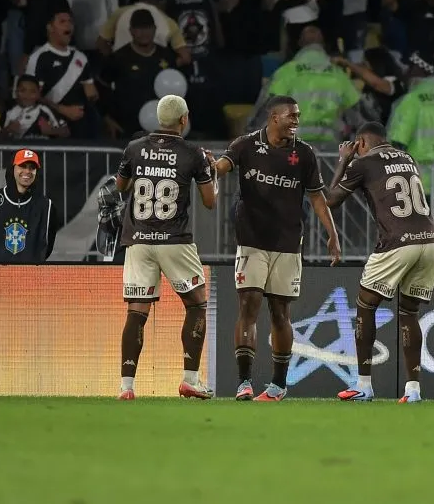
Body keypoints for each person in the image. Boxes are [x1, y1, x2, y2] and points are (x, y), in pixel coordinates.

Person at [212, 95, 342, 401]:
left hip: (287, 244)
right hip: (251, 242)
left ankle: (278, 385)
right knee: (249, 306)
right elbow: (222, 165)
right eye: (291, 116)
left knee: (280, 312)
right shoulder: (245, 145)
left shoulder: (305, 154)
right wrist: (210, 165)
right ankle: (244, 382)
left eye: (298, 117)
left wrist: (332, 234)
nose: (296, 121)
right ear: (274, 118)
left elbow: (317, 198)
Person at [323, 122, 434, 403]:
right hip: (429, 239)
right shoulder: (407, 158)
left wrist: (343, 161)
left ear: (361, 142)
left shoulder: (364, 163)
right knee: (409, 313)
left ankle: (363, 384)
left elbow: (330, 199)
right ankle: (413, 389)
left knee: (365, 305)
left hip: (397, 242)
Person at [114, 95, 218, 401]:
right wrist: (211, 171)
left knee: (136, 312)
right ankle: (189, 379)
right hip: (174, 241)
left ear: (157, 119)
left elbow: (121, 187)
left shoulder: (134, 148)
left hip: (138, 240)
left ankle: (126, 387)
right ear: (184, 120)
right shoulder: (193, 153)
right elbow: (210, 202)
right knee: (197, 305)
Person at [0, 149, 60, 263]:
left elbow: (47, 246)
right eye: (22, 166)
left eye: (32, 167)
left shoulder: (46, 206)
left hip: (31, 277)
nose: (27, 171)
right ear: (13, 168)